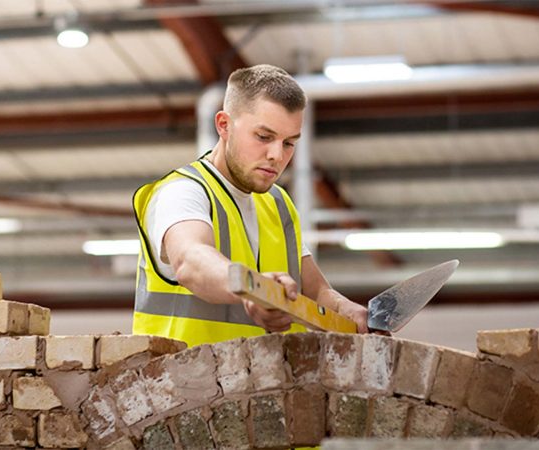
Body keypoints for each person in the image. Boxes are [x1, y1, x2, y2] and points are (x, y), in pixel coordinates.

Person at [132, 64, 368, 347]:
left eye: (289, 143)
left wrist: (345, 309)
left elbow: (315, 291)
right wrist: (255, 290)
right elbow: (191, 260)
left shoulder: (278, 204)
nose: (276, 155)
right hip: (183, 385)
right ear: (224, 125)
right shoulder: (182, 191)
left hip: (266, 387)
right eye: (264, 137)